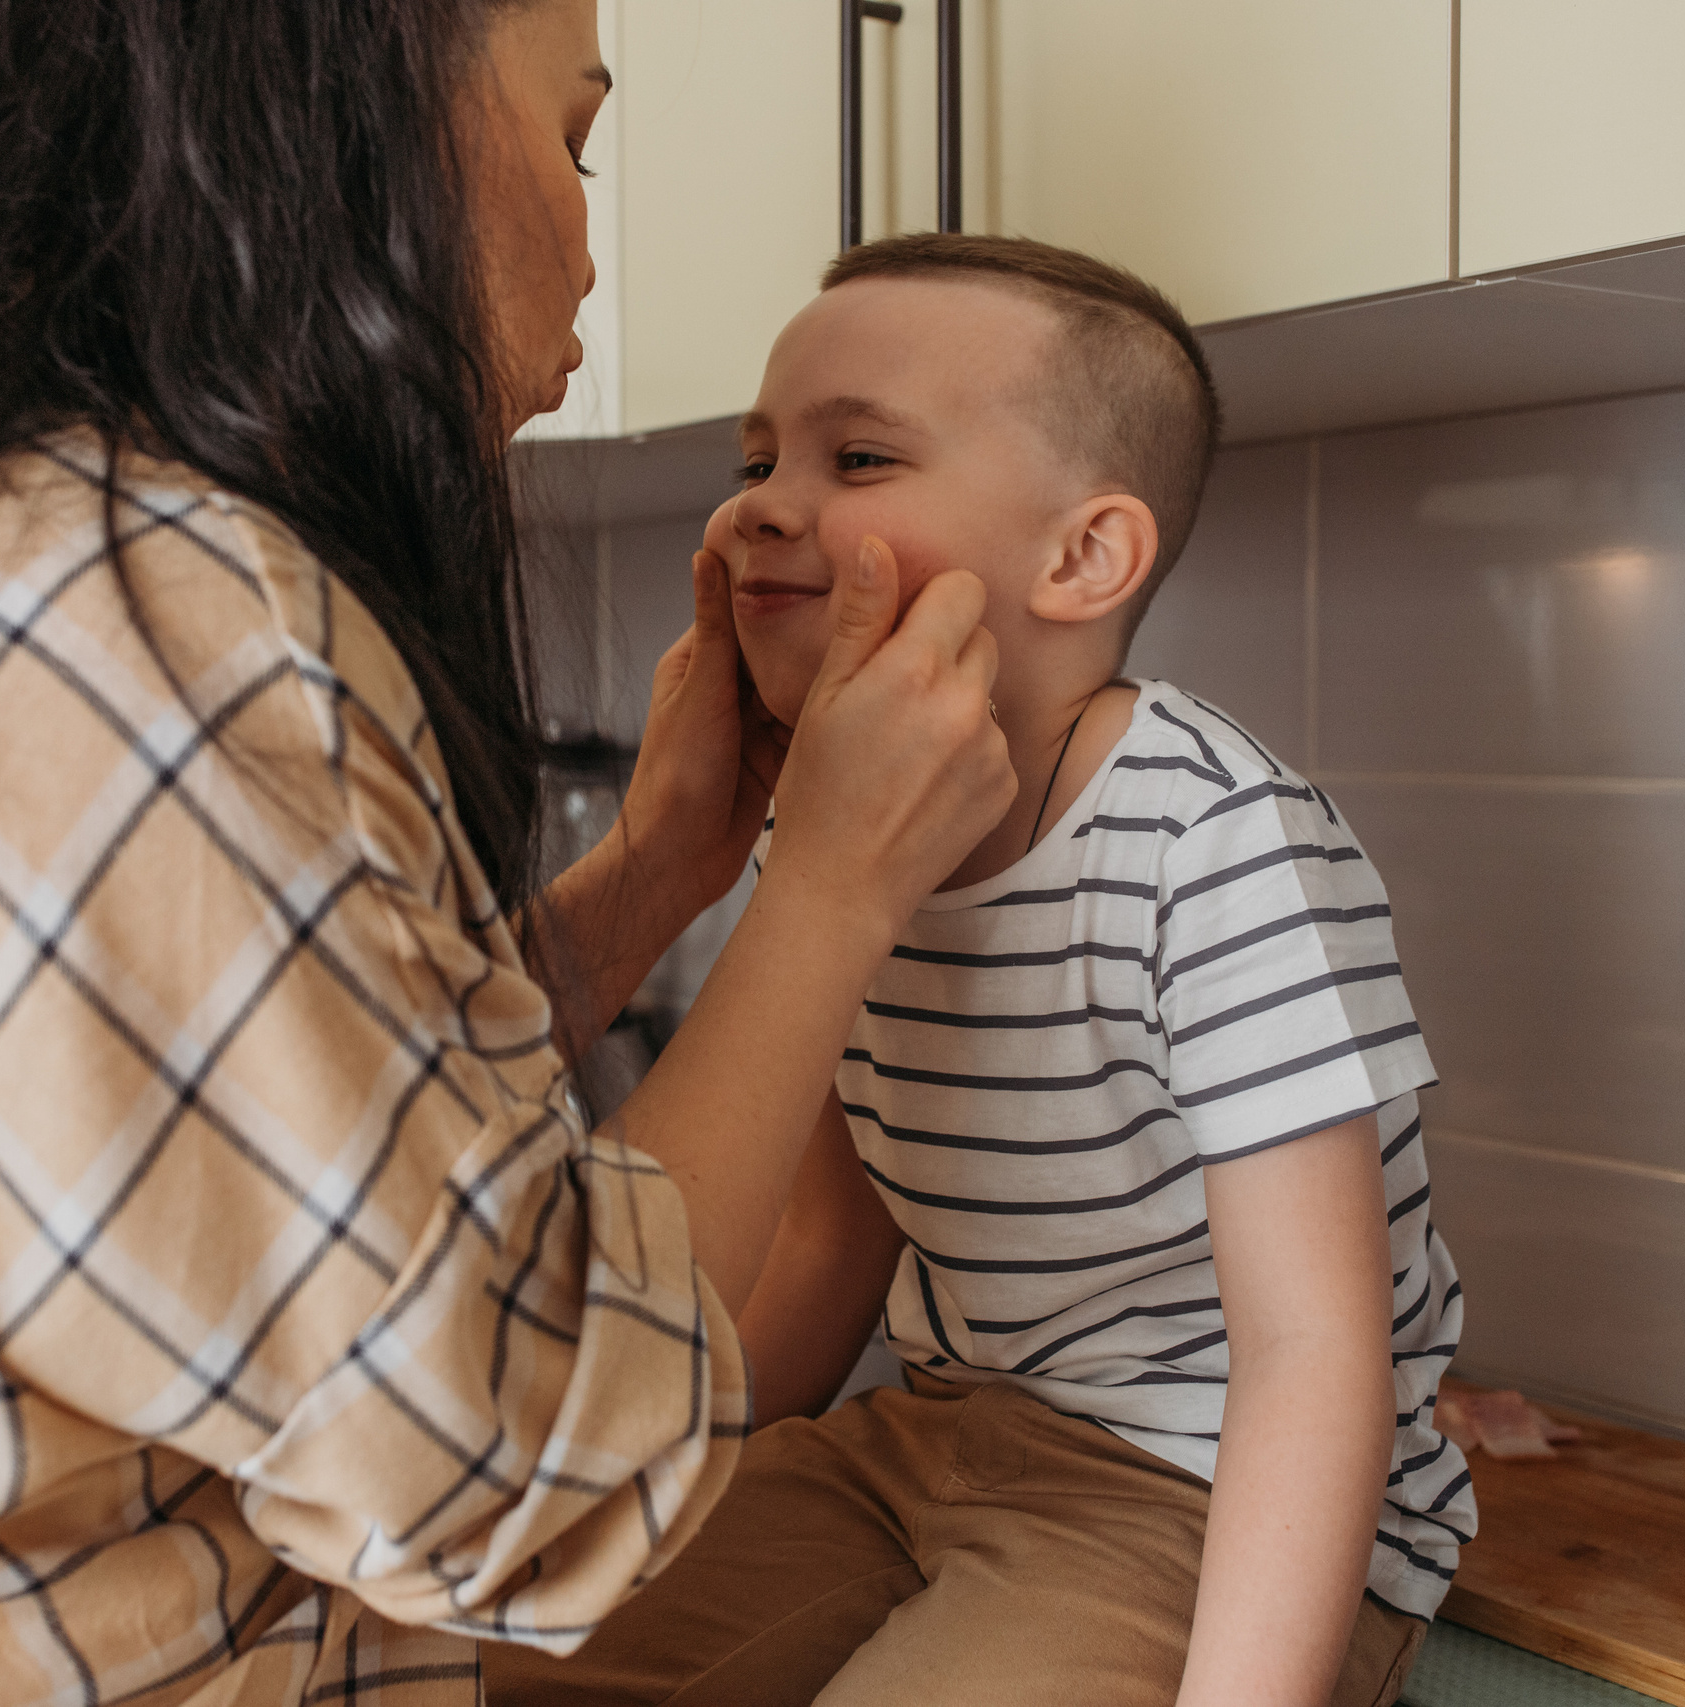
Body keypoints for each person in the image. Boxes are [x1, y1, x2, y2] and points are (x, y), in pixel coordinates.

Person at [0, 8, 1017, 1704]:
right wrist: (823, 893)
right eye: (573, 140)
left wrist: (659, 874)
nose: (591, 233)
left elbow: (236, 1145)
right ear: (354, 122)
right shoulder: (139, 617)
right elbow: (523, 1467)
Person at [486, 233, 1474, 1707]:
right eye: (760, 460)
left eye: (859, 457)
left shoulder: (1218, 837)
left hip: (1190, 1483)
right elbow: (832, 1247)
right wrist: (617, 1497)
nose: (761, 509)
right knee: (495, 1664)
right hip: (933, 1440)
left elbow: (1315, 1359)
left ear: (1084, 558)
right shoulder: (841, 832)